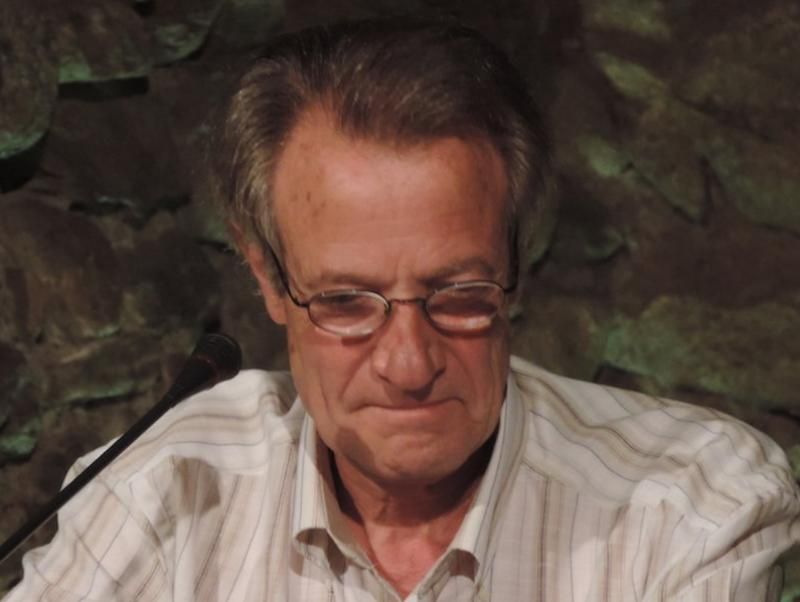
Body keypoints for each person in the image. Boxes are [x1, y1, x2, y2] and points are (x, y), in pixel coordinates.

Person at [5, 17, 799, 602]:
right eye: (346, 303)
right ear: (269, 280)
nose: (410, 364)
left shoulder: (695, 505)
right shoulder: (160, 488)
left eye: (459, 295)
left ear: (517, 271)